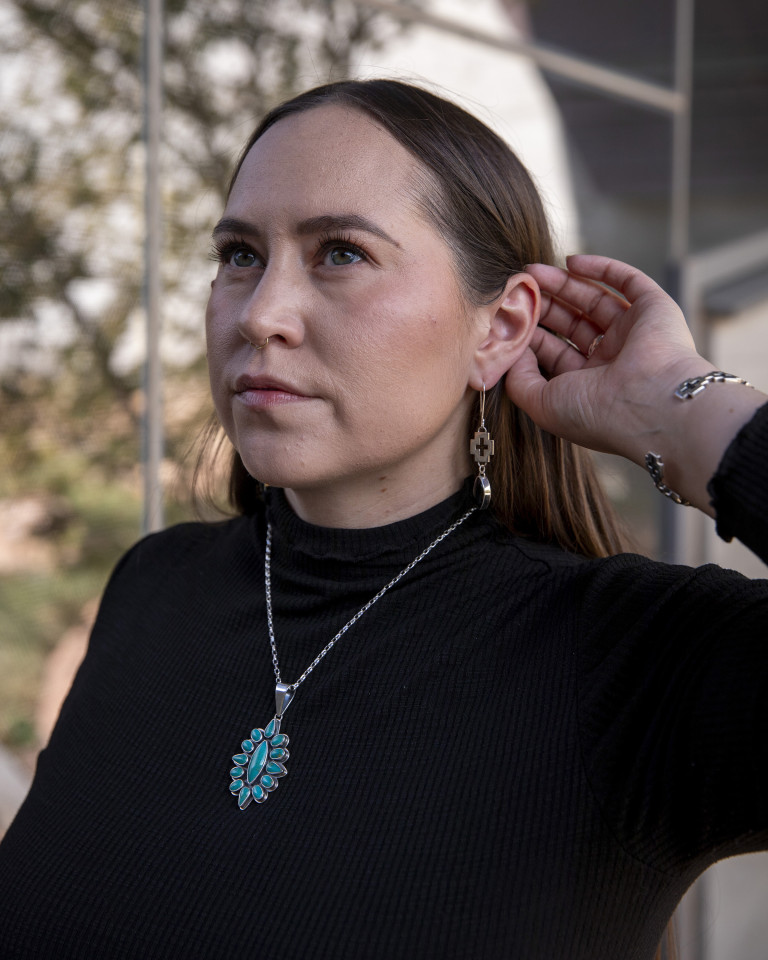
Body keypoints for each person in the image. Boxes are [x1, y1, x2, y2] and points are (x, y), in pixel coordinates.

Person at [0, 79, 766, 960]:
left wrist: (688, 408)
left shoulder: (635, 661)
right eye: (241, 255)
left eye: (340, 254)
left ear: (500, 327)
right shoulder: (155, 587)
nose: (261, 315)